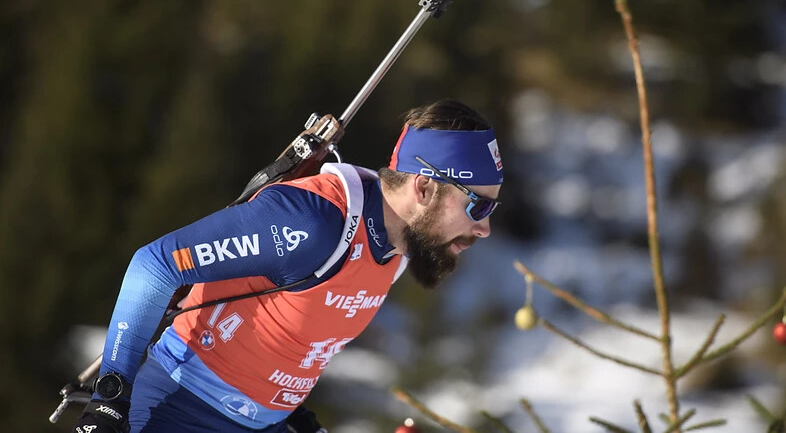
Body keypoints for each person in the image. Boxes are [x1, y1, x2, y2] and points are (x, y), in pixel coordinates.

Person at [74, 99, 503, 432]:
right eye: (478, 205)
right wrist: (111, 395)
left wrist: (289, 413)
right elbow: (155, 265)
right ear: (424, 187)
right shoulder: (313, 222)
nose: (484, 228)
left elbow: (289, 333)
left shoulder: (398, 244)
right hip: (178, 409)